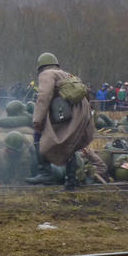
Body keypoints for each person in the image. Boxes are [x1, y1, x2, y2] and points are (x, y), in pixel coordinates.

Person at [29, 52, 95, 191]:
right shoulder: (67, 74)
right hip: (81, 112)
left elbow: (44, 96)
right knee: (71, 144)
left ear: (41, 67)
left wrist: (37, 120)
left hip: (69, 112)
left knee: (38, 136)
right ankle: (71, 181)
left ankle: (45, 173)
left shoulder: (46, 74)